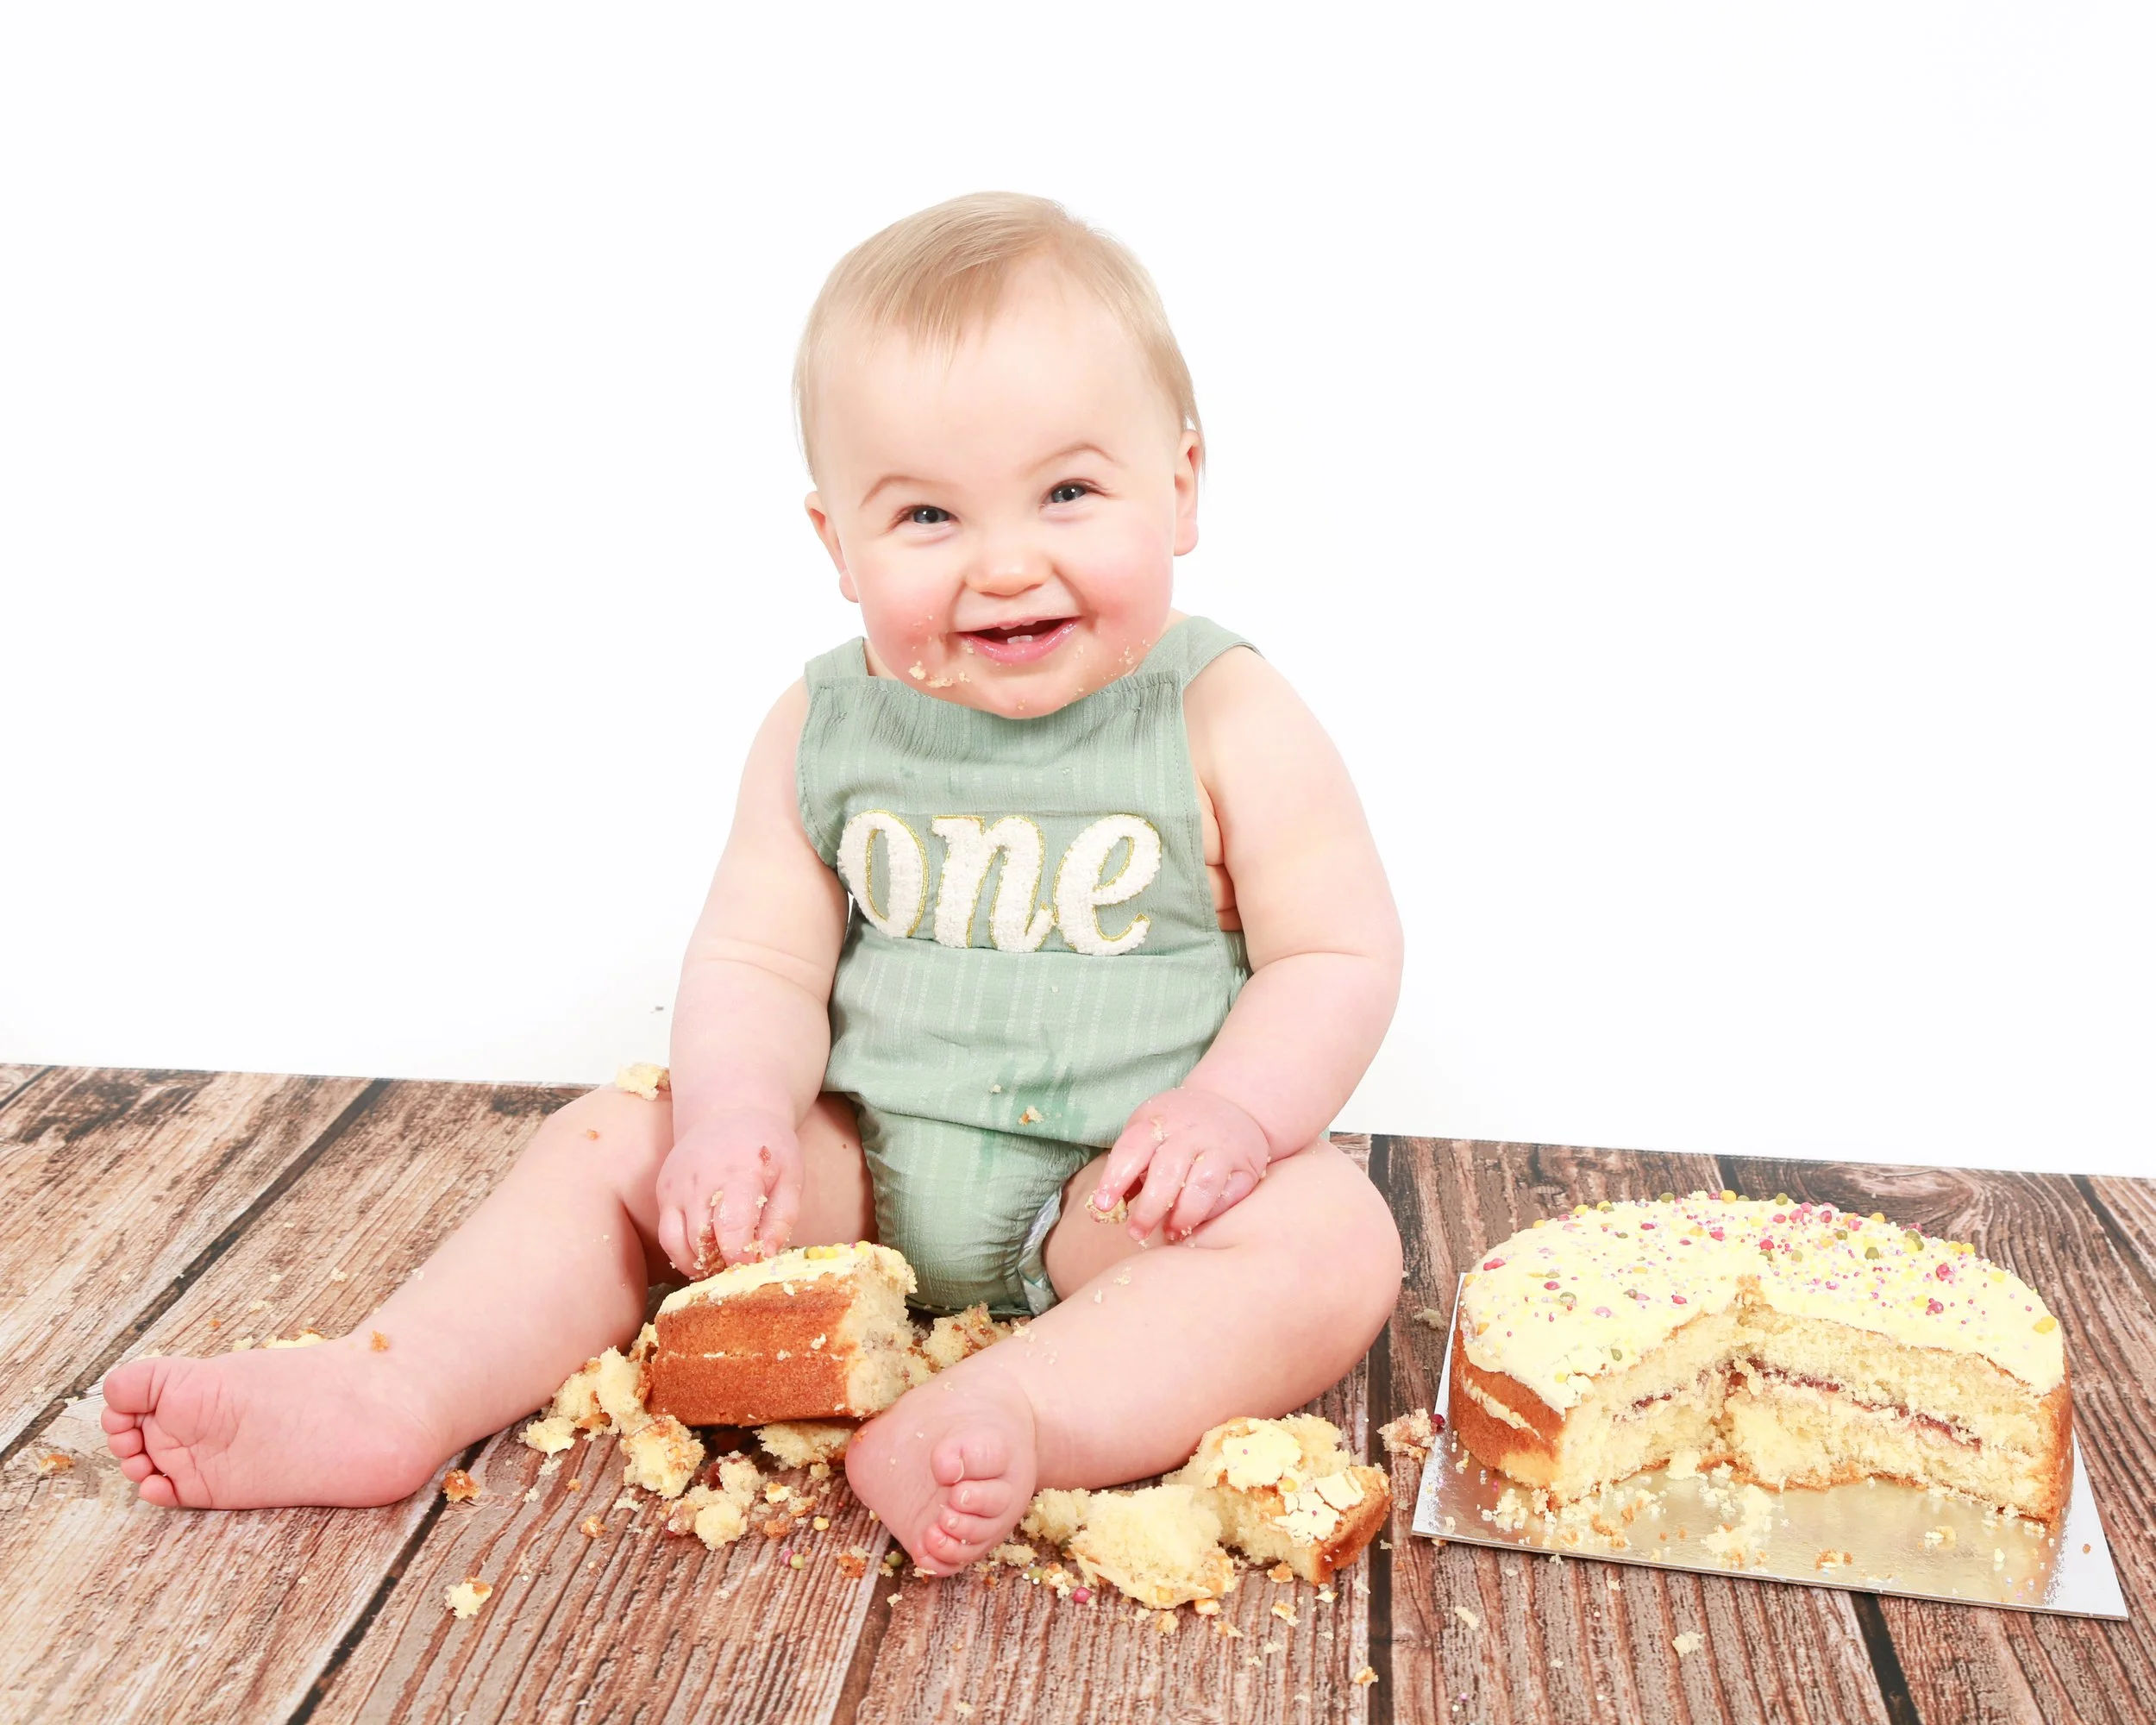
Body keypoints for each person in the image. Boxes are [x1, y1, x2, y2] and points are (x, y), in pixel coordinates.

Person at [102, 191, 1407, 1574]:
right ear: (836, 541)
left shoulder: (1223, 715)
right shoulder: (825, 727)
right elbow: (761, 965)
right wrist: (734, 1121)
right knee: (617, 1142)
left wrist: (1230, 1113)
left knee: (1334, 1241)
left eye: (1070, 492)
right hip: (864, 1165)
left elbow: (1335, 955)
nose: (1006, 561)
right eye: (925, 513)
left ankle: (1016, 1409)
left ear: (1184, 484)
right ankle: (400, 1386)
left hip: (1116, 1200)